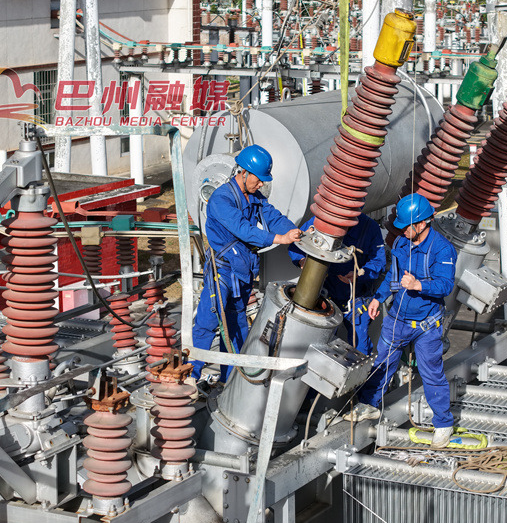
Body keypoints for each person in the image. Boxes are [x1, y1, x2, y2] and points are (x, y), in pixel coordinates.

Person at [343, 193, 457, 448]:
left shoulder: (442, 249)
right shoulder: (401, 243)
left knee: (432, 373)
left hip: (426, 325)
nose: (403, 230)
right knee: (381, 364)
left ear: (423, 223)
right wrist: (378, 298)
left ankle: (443, 424)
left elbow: (446, 284)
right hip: (397, 321)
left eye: (407, 226)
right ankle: (369, 405)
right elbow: (391, 277)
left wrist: (419, 285)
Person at [191, 145, 302, 382]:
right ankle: (191, 374)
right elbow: (244, 230)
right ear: (243, 172)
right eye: (258, 179)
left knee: (237, 325)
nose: (261, 184)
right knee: (208, 322)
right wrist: (279, 239)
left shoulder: (254, 198)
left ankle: (230, 381)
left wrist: (295, 233)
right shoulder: (221, 200)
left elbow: (273, 217)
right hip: (222, 272)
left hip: (242, 271)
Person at [288, 213, 386, 355]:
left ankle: (361, 369)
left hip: (356, 299)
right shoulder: (320, 220)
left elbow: (378, 262)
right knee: (319, 342)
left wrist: (359, 274)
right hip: (325, 296)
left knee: (360, 346)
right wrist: (302, 261)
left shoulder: (369, 227)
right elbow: (296, 243)